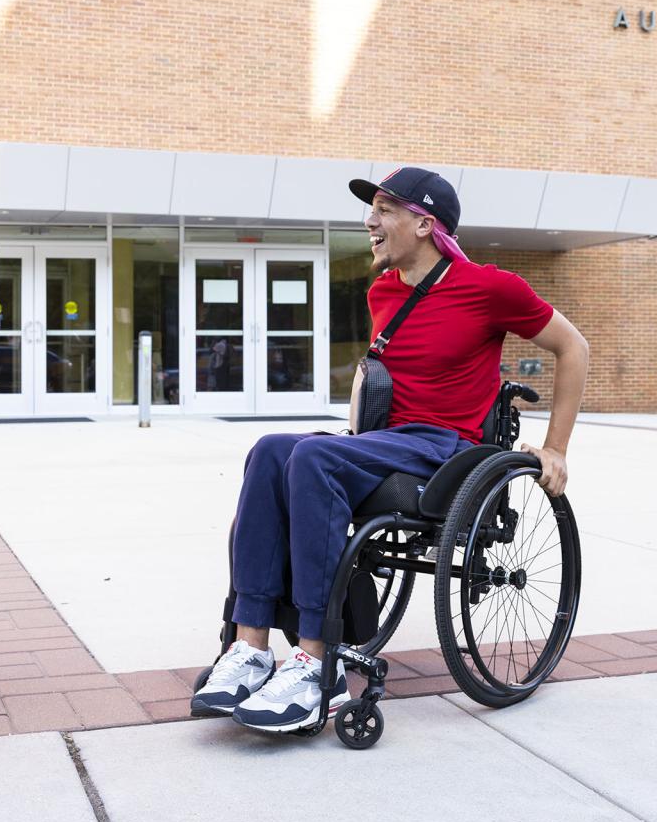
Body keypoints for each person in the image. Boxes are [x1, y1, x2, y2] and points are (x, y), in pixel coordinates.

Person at [189, 167, 589, 733]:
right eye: (371, 210)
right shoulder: (383, 290)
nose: (370, 222)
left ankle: (315, 661)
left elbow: (574, 347)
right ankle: (249, 645)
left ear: (425, 224)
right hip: (389, 442)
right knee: (271, 450)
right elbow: (375, 379)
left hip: (447, 450)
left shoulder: (490, 287)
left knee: (313, 458)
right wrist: (356, 439)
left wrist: (556, 448)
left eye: (383, 210)